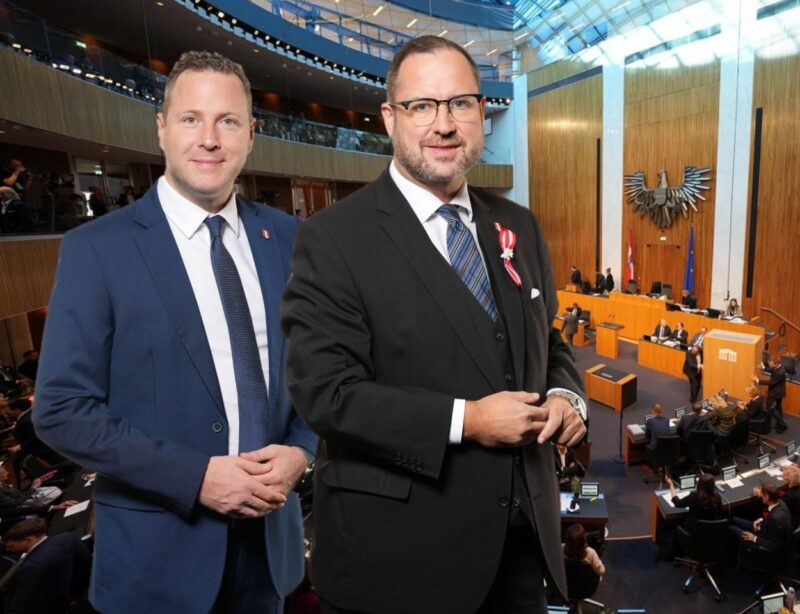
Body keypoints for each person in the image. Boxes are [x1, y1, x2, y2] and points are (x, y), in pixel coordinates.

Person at [280, 36, 587, 613]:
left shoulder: (518, 224)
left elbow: (546, 342)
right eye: (422, 106)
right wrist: (467, 420)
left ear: (481, 116)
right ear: (390, 119)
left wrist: (568, 396)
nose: (443, 124)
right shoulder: (332, 238)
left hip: (520, 548)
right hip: (402, 561)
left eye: (461, 104)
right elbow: (327, 395)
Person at [33, 51, 317, 613]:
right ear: (162, 129)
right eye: (191, 119)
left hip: (268, 551)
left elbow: (315, 371)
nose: (209, 139)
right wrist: (196, 478)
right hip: (155, 565)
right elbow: (62, 409)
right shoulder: (98, 249)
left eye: (227, 121)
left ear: (251, 135)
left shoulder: (289, 239)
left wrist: (303, 452)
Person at [2, 518, 91, 614]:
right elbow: (85, 564)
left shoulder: (30, 567)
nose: (8, 549)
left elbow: (24, 603)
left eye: (11, 546)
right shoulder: (68, 538)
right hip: (83, 595)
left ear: (28, 540)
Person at [729, 481, 792, 559]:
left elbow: (774, 545)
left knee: (730, 528)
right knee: (733, 519)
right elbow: (768, 512)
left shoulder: (775, 520)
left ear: (767, 496)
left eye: (762, 494)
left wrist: (754, 538)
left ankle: (733, 558)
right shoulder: (780, 502)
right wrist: (761, 519)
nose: (760, 496)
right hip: (763, 528)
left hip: (762, 540)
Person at [666, 474, 726, 539]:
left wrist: (671, 485)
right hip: (711, 534)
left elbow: (677, 502)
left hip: (693, 534)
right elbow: (720, 514)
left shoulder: (694, 497)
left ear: (699, 485)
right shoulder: (717, 497)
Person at [754, 358, 788, 432]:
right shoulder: (779, 367)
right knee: (778, 408)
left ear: (776, 363)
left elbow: (771, 382)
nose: (769, 365)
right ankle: (780, 424)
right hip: (780, 392)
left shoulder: (779, 373)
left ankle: (782, 424)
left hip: (775, 393)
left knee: (771, 407)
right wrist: (763, 367)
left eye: (771, 364)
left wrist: (758, 381)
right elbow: (771, 370)